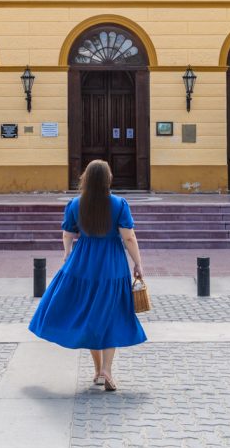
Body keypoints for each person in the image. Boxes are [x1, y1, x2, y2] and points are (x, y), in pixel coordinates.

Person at [29, 158, 146, 390]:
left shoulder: (75, 204)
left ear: (86, 178)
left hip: (83, 263)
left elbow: (67, 234)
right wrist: (138, 264)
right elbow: (129, 237)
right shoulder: (119, 204)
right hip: (112, 264)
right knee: (110, 314)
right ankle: (107, 371)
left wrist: (67, 254)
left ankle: (97, 370)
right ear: (108, 179)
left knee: (91, 314)